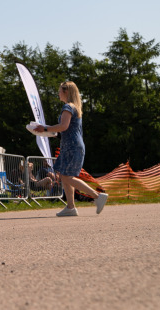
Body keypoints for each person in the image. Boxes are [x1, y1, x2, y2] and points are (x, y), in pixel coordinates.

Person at [34, 81, 107, 216]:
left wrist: (44, 128)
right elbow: (66, 130)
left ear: (66, 91)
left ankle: (97, 196)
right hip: (72, 145)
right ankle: (71, 207)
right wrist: (49, 132)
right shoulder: (75, 107)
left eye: (59, 91)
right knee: (65, 176)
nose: (58, 93)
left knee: (66, 177)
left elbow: (63, 126)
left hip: (71, 146)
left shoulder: (67, 107)